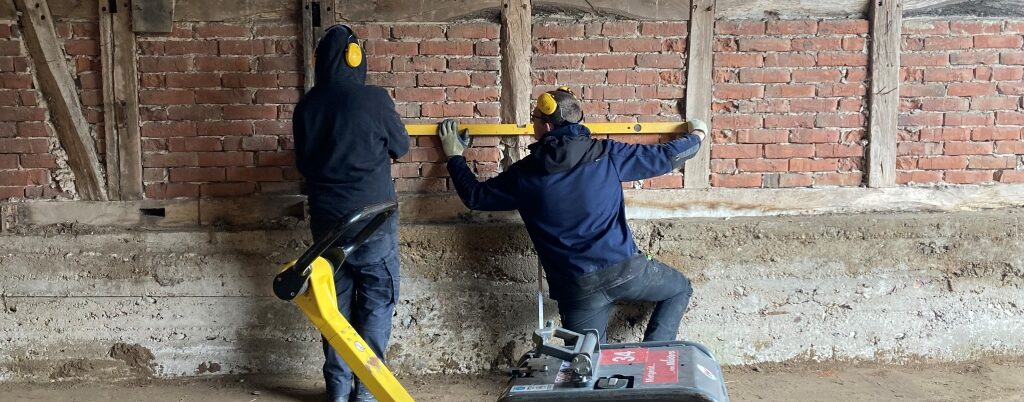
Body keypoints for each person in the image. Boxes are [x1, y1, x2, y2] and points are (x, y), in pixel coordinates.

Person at [436, 87, 706, 343]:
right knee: (679, 289)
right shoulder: (608, 154)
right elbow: (669, 155)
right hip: (626, 272)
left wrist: (455, 156)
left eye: (535, 119)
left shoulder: (524, 174)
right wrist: (698, 134)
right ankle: (653, 356)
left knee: (585, 362)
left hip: (577, 289)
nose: (532, 124)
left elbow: (475, 196)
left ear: (547, 127)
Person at [292, 24, 408, 402]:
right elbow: (401, 147)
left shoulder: (306, 107)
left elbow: (303, 164)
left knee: (334, 309)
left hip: (327, 225)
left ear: (321, 62)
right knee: (376, 302)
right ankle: (368, 392)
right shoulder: (374, 100)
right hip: (373, 222)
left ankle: (338, 391)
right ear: (355, 58)